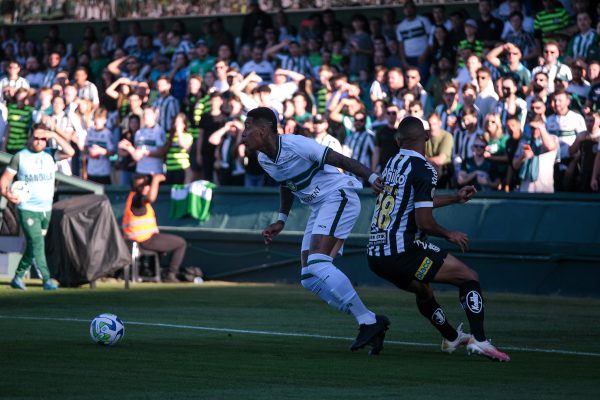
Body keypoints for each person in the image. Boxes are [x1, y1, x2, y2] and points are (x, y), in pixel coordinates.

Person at [243, 107, 390, 355]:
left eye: (247, 127)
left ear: (263, 129)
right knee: (309, 277)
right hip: (319, 206)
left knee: (319, 263)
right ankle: (371, 320)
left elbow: (341, 160)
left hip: (339, 196)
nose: (244, 133)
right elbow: (286, 184)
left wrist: (372, 176)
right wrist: (281, 219)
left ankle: (368, 321)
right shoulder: (263, 158)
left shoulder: (296, 144)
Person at [367, 116, 510, 362]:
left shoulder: (393, 162)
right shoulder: (424, 169)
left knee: (423, 290)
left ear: (399, 140)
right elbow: (424, 222)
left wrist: (454, 198)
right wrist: (448, 234)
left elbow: (414, 202)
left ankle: (452, 337)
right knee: (468, 277)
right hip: (403, 251)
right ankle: (480, 340)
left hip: (377, 254)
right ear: (425, 138)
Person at [0, 124, 74, 290]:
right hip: (27, 209)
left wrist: (54, 134)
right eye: (36, 137)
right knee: (38, 243)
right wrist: (7, 194)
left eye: (43, 138)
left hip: (45, 210)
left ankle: (18, 277)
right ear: (30, 137)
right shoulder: (20, 157)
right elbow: (4, 180)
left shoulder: (50, 154)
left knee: (34, 245)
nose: (39, 141)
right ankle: (47, 279)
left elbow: (71, 152)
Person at [122, 173, 190, 282]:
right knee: (181, 243)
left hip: (142, 240)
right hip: (142, 241)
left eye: (146, 185)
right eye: (141, 186)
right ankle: (171, 274)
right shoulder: (136, 199)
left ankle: (153, 273)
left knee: (166, 245)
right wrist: (156, 180)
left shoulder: (134, 198)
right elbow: (151, 198)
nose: (144, 188)